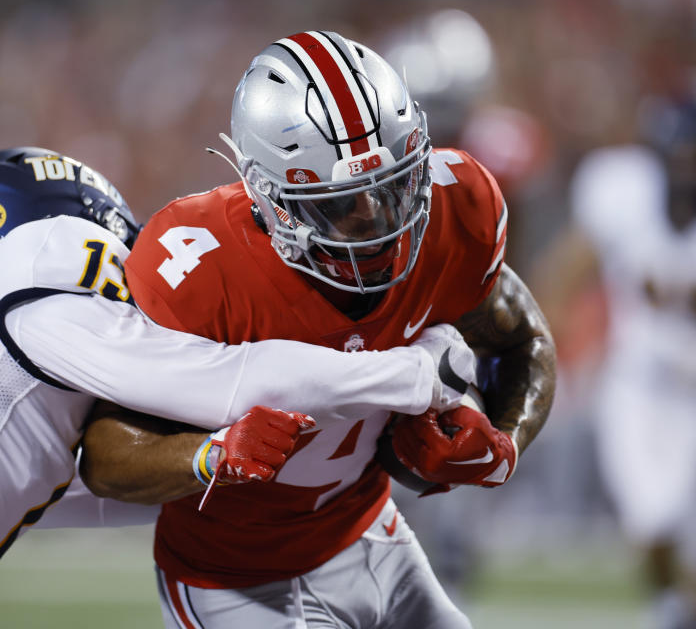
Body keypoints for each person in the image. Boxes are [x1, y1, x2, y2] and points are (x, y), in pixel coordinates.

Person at [0, 146, 475, 629]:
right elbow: (209, 378)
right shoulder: (48, 250)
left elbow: (64, 495)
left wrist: (220, 466)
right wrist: (412, 374)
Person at [82, 31, 557, 628]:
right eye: (338, 204)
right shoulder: (200, 267)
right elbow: (103, 455)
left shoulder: (453, 213)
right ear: (269, 196)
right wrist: (210, 454)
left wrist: (502, 444)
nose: (378, 221)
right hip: (230, 576)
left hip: (371, 536)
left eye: (393, 187)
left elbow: (524, 341)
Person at [560, 96, 696, 629]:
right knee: (652, 518)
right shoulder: (622, 194)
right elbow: (568, 267)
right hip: (638, 387)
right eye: (679, 157)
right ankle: (673, 608)